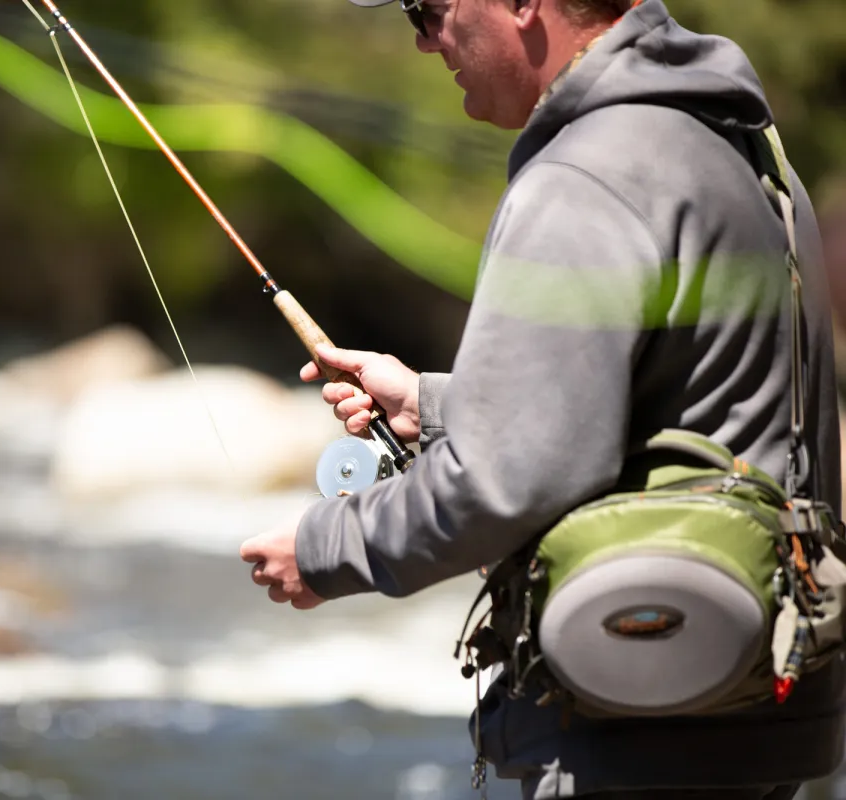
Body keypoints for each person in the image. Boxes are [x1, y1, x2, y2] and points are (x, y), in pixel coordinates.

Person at [239, 0, 846, 797]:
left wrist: (324, 549)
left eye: (429, 10)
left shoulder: (583, 176)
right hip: (752, 711)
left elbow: (508, 479)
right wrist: (436, 407)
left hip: (639, 724)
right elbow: (694, 397)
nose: (424, 41)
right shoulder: (733, 143)